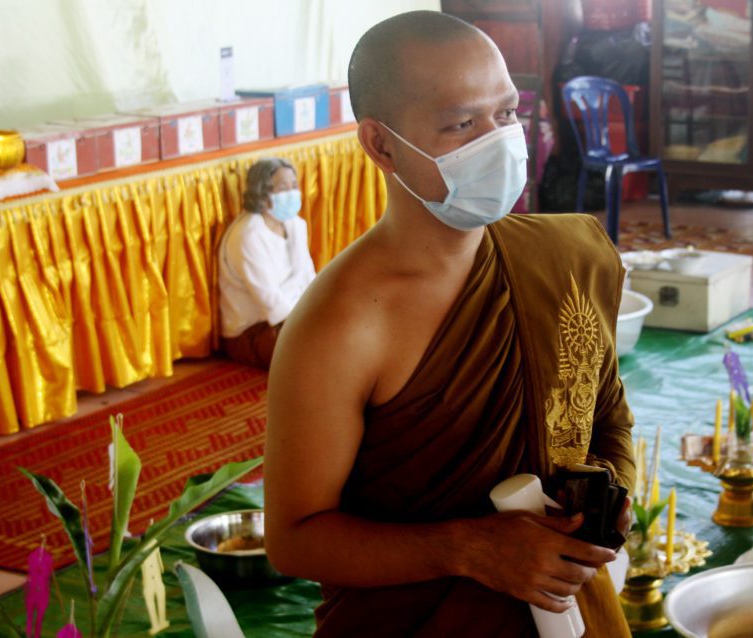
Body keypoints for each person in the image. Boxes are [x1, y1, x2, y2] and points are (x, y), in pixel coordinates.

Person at [264, 10, 636, 637]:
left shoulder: (569, 255)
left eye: (507, 114)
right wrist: (469, 549)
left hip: (570, 611)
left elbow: (607, 418)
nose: (497, 140)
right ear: (381, 145)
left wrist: (608, 501)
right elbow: (295, 540)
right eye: (461, 124)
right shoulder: (341, 323)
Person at [218, 157, 315, 369]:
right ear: (261, 193)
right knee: (320, 349)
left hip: (297, 317)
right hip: (254, 329)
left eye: (294, 186)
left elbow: (309, 279)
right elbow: (270, 301)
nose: (291, 193)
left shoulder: (296, 225)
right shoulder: (248, 236)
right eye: (282, 188)